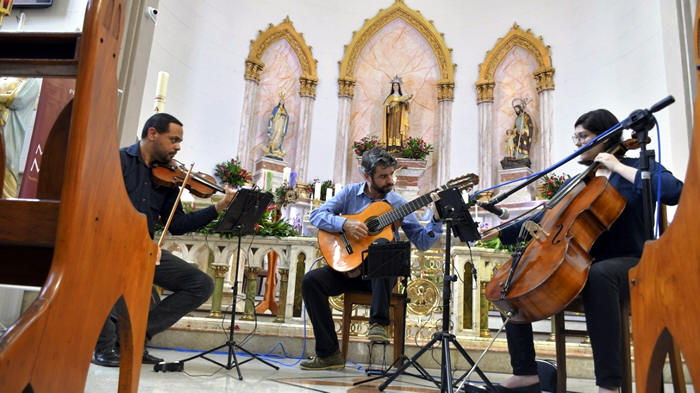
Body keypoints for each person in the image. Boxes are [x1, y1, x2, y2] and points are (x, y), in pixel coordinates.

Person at [486, 109, 683, 393]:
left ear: (605, 137)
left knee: (599, 276)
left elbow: (675, 191)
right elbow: (547, 220)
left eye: (584, 137)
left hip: (634, 261)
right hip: (587, 263)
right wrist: (498, 231)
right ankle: (526, 372)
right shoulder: (581, 181)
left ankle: (609, 385)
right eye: (575, 137)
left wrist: (616, 166)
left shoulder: (638, 164)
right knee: (512, 278)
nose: (578, 144)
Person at [92, 113, 236, 367]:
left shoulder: (170, 177)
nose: (178, 147)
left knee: (200, 284)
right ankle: (103, 348)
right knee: (107, 276)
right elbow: (98, 207)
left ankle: (132, 339)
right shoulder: (119, 161)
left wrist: (220, 206)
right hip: (108, 244)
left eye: (179, 141)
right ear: (152, 134)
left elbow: (178, 224)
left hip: (143, 249)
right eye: (174, 140)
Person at [300, 147, 443, 370]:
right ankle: (329, 354)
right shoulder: (349, 194)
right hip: (348, 269)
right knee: (311, 281)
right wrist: (345, 224)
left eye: (391, 175)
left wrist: (435, 218)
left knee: (382, 245)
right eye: (383, 176)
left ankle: (378, 322)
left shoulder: (398, 203)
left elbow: (422, 242)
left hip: (380, 279)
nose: (390, 181)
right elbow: (316, 215)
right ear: (367, 177)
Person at [382, 76, 412, 154]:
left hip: (399, 117)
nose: (395, 86)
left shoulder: (402, 97)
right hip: (391, 117)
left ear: (399, 86)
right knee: (391, 130)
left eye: (397, 85)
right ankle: (390, 146)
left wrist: (405, 103)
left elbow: (406, 109)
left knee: (399, 130)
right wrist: (390, 106)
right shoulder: (390, 97)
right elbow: (385, 107)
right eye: (394, 85)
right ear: (392, 87)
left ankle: (399, 146)